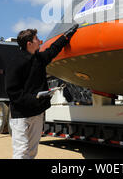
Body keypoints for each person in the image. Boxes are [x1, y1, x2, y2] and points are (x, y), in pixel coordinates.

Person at [6, 24, 78, 159]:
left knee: (32, 151)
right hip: (21, 115)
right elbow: (13, 91)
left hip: (37, 113)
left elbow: (53, 50)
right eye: (36, 39)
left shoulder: (39, 59)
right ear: (29, 43)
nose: (39, 41)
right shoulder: (15, 62)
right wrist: (34, 99)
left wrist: (66, 36)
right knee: (21, 151)